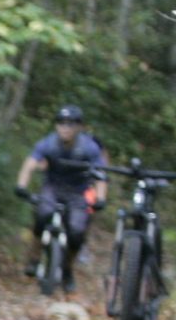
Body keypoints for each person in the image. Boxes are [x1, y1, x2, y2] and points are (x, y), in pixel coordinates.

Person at [14, 104, 108, 292]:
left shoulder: (89, 148)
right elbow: (30, 163)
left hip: (78, 191)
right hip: (53, 187)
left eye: (71, 124)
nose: (65, 127)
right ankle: (34, 257)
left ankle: (67, 269)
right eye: (61, 123)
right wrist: (21, 185)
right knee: (41, 216)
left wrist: (100, 198)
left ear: (79, 127)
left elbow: (101, 174)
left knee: (77, 232)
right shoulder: (48, 143)